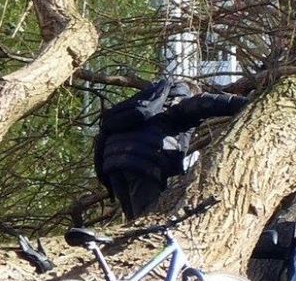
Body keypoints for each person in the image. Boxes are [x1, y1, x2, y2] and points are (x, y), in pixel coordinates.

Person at [94, 77, 248, 218]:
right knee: (147, 219)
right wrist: (245, 104)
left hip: (112, 165)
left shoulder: (146, 102)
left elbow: (103, 138)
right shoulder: (177, 99)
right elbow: (204, 103)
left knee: (133, 221)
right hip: (144, 163)